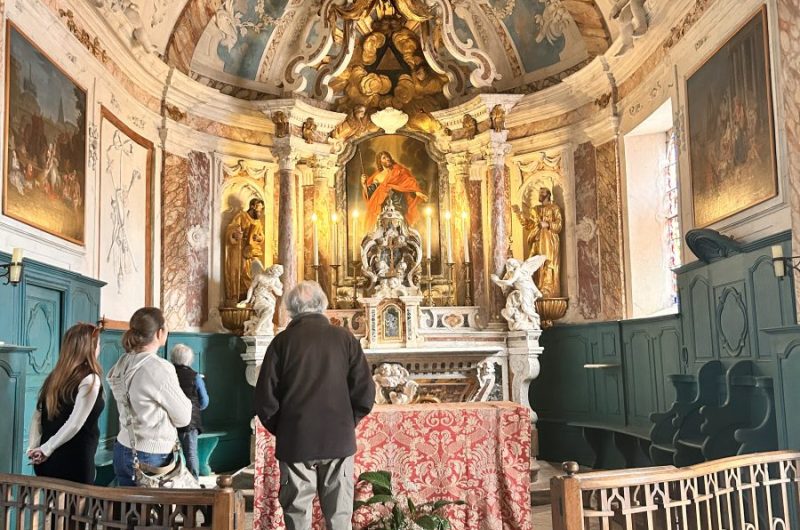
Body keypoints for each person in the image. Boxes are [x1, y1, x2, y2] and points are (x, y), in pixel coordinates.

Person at [254, 281, 376, 530]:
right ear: (323, 305)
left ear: (291, 309)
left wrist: (287, 427)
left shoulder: (281, 343)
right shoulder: (344, 338)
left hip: (296, 441)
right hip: (338, 441)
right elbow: (365, 393)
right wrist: (345, 422)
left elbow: (265, 400)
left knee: (297, 517)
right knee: (339, 518)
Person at [107, 307, 192, 487]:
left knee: (128, 511)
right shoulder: (158, 368)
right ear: (160, 332)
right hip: (151, 454)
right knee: (151, 514)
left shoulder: (122, 363)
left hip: (123, 447)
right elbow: (184, 417)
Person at [27, 323, 104, 484]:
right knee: (76, 509)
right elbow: (75, 423)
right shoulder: (90, 379)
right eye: (98, 343)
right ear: (90, 348)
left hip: (46, 461)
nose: (100, 347)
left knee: (51, 508)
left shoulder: (55, 376)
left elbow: (37, 417)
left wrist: (34, 448)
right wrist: (45, 450)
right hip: (74, 460)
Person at [361, 151, 429, 231]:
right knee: (385, 228)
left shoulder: (399, 170)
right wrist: (364, 184)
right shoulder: (378, 176)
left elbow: (408, 182)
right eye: (384, 158)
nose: (388, 159)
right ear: (380, 161)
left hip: (399, 203)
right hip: (385, 207)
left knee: (401, 227)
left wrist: (417, 192)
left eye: (388, 157)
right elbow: (370, 195)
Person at [515, 187, 563, 298]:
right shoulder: (535, 209)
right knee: (533, 263)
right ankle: (536, 287)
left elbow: (559, 225)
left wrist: (548, 224)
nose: (540, 195)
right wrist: (519, 214)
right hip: (536, 240)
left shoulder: (554, 208)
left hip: (549, 241)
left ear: (548, 195)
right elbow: (529, 225)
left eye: (542, 193)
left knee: (547, 263)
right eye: (539, 192)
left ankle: (548, 289)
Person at [170, 344, 210, 479]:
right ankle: (193, 483)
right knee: (191, 453)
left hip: (169, 420)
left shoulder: (168, 374)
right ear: (189, 359)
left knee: (169, 454)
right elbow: (204, 401)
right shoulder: (195, 376)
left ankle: (172, 482)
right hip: (189, 421)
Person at [224, 198, 266, 305]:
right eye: (258, 209)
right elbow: (231, 229)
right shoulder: (241, 216)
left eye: (261, 210)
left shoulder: (258, 222)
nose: (260, 212)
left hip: (250, 251)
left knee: (250, 273)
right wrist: (235, 234)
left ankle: (248, 296)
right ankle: (235, 296)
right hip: (238, 250)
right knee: (237, 271)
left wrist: (258, 237)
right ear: (252, 207)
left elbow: (262, 237)